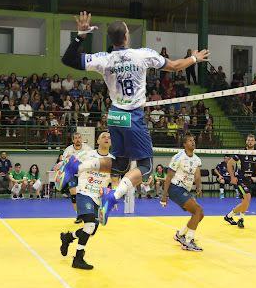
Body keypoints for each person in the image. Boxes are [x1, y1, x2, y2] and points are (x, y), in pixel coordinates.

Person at [58, 12, 209, 224]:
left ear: (112, 40)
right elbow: (175, 66)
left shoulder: (105, 59)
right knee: (145, 168)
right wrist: (195, 58)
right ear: (127, 36)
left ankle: (78, 166)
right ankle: (112, 196)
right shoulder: (143, 54)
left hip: (114, 115)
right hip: (133, 116)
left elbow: (68, 59)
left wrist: (81, 35)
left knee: (120, 165)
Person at [59, 132, 118, 269]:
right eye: (103, 136)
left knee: (91, 229)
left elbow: (115, 181)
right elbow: (68, 163)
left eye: (109, 137)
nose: (106, 138)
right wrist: (60, 169)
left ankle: (68, 237)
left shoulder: (113, 160)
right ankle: (78, 258)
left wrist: (113, 197)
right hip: (84, 192)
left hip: (99, 196)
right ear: (97, 140)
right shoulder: (87, 154)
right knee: (90, 224)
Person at [161, 133, 204, 252]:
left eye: (193, 140)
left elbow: (197, 175)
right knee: (197, 210)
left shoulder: (196, 159)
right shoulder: (178, 157)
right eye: (190, 140)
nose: (193, 142)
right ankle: (188, 241)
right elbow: (169, 177)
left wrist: (199, 187)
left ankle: (180, 235)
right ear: (185, 144)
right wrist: (164, 196)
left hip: (185, 190)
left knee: (200, 214)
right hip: (175, 188)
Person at [60, 132, 92, 217]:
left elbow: (93, 161)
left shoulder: (88, 149)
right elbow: (63, 162)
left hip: (84, 175)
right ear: (73, 140)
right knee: (74, 195)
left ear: (81, 139)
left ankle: (87, 212)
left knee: (85, 196)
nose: (78, 139)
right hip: (72, 175)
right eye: (76, 138)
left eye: (79, 137)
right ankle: (78, 215)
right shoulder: (68, 150)